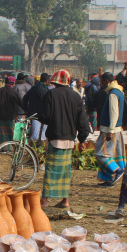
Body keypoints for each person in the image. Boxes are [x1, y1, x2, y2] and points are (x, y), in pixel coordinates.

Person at [38, 70, 90, 209]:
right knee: (65, 172)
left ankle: (44, 200)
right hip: (69, 140)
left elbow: (44, 116)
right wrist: (83, 138)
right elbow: (82, 121)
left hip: (55, 137)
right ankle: (65, 200)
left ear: (55, 82)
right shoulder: (76, 96)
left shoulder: (51, 95)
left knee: (51, 170)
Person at [96, 73, 126, 186]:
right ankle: (108, 179)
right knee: (110, 154)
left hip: (110, 129)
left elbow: (114, 113)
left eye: (102, 81)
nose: (101, 83)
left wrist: (110, 131)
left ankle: (117, 170)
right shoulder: (119, 92)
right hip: (116, 128)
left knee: (101, 154)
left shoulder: (113, 94)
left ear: (107, 81)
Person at [0, 75, 23, 143]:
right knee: (11, 131)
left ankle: (3, 147)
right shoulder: (14, 92)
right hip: (11, 115)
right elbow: (21, 103)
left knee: (3, 132)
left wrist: (0, 106)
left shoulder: (0, 90)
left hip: (1, 114)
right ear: (12, 83)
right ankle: (11, 146)